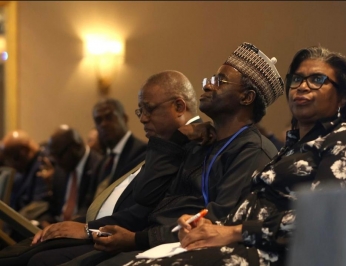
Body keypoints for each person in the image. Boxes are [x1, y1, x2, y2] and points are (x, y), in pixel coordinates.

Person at [100, 46, 346, 266]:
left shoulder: (345, 141)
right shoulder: (291, 147)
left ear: (342, 97)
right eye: (297, 79)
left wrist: (232, 232)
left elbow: (322, 221)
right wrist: (202, 224)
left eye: (317, 80)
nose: (302, 87)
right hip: (239, 245)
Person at [58, 42, 284, 266]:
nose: (207, 86)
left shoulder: (253, 151)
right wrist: (176, 139)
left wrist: (136, 239)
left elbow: (219, 221)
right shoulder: (201, 140)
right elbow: (147, 196)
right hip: (156, 240)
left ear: (247, 98)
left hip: (185, 248)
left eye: (219, 81)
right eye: (209, 80)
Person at [23, 70, 201, 265]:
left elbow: (146, 204)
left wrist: (88, 229)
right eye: (140, 111)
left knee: (40, 261)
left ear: (179, 106)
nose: (142, 119)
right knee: (27, 253)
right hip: (114, 230)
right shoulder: (165, 144)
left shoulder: (193, 145)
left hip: (144, 241)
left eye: (149, 109)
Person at [36, 125, 103, 227]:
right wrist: (45, 222)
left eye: (59, 155)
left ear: (76, 147)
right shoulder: (61, 170)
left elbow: (93, 210)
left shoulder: (99, 167)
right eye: (53, 156)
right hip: (59, 229)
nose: (57, 162)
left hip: (82, 230)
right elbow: (53, 208)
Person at [91, 98, 147, 196]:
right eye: (98, 120)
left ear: (124, 118)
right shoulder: (103, 162)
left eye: (109, 117)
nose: (103, 124)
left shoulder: (142, 153)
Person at [1, 130, 49, 212]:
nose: (11, 164)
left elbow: (39, 204)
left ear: (25, 151)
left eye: (14, 158)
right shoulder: (23, 169)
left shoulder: (43, 166)